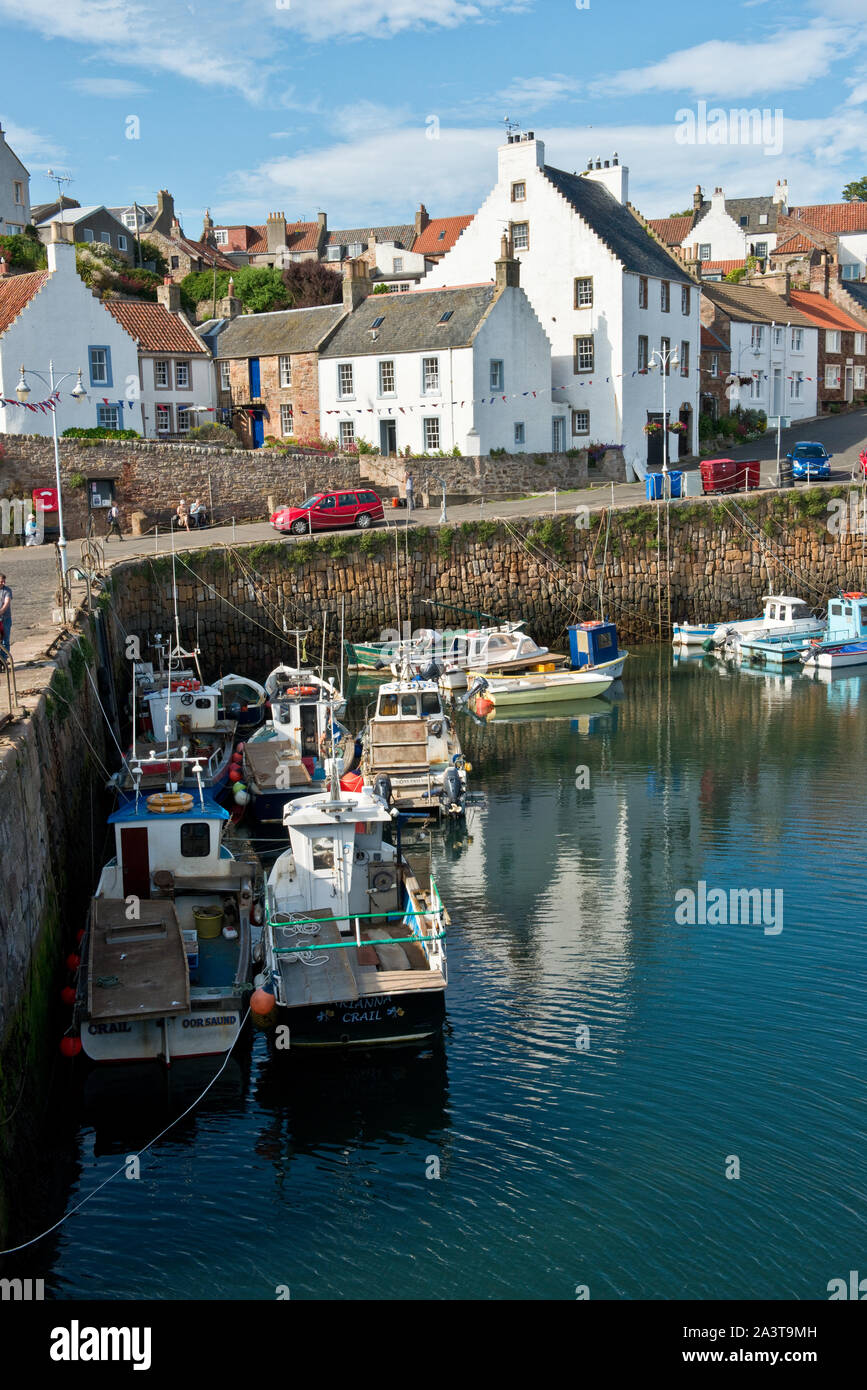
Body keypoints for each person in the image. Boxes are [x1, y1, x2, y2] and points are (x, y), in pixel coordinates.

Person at [0, 575, 11, 658]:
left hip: (5, 618)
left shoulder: (7, 590)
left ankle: (4, 659)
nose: (3, 583)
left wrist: (1, 611)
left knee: (5, 640)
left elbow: (6, 603)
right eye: (1, 581)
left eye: (4, 581)